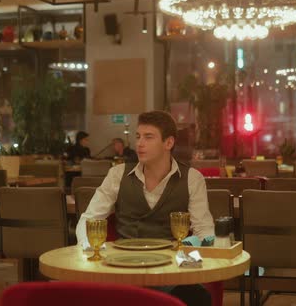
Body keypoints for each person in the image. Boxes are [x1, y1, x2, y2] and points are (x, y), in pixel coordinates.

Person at [76, 111, 215, 306]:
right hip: (124, 268)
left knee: (197, 297)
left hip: (171, 269)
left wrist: (188, 262)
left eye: (148, 137)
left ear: (169, 143)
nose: (139, 144)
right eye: (138, 136)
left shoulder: (192, 178)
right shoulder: (117, 175)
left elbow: (204, 231)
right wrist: (90, 252)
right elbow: (89, 219)